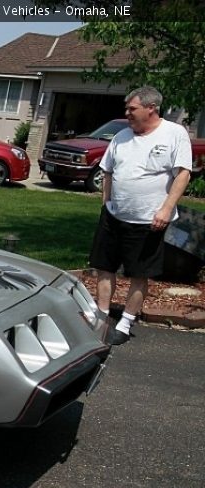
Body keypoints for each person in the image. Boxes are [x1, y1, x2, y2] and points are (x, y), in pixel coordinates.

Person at [89, 86, 192, 345]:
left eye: (132, 109)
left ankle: (124, 322)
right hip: (114, 217)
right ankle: (101, 317)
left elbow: (183, 174)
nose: (127, 113)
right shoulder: (121, 136)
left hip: (149, 221)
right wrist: (106, 204)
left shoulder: (174, 134)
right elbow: (108, 171)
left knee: (138, 273)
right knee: (104, 268)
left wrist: (166, 209)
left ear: (151, 108)